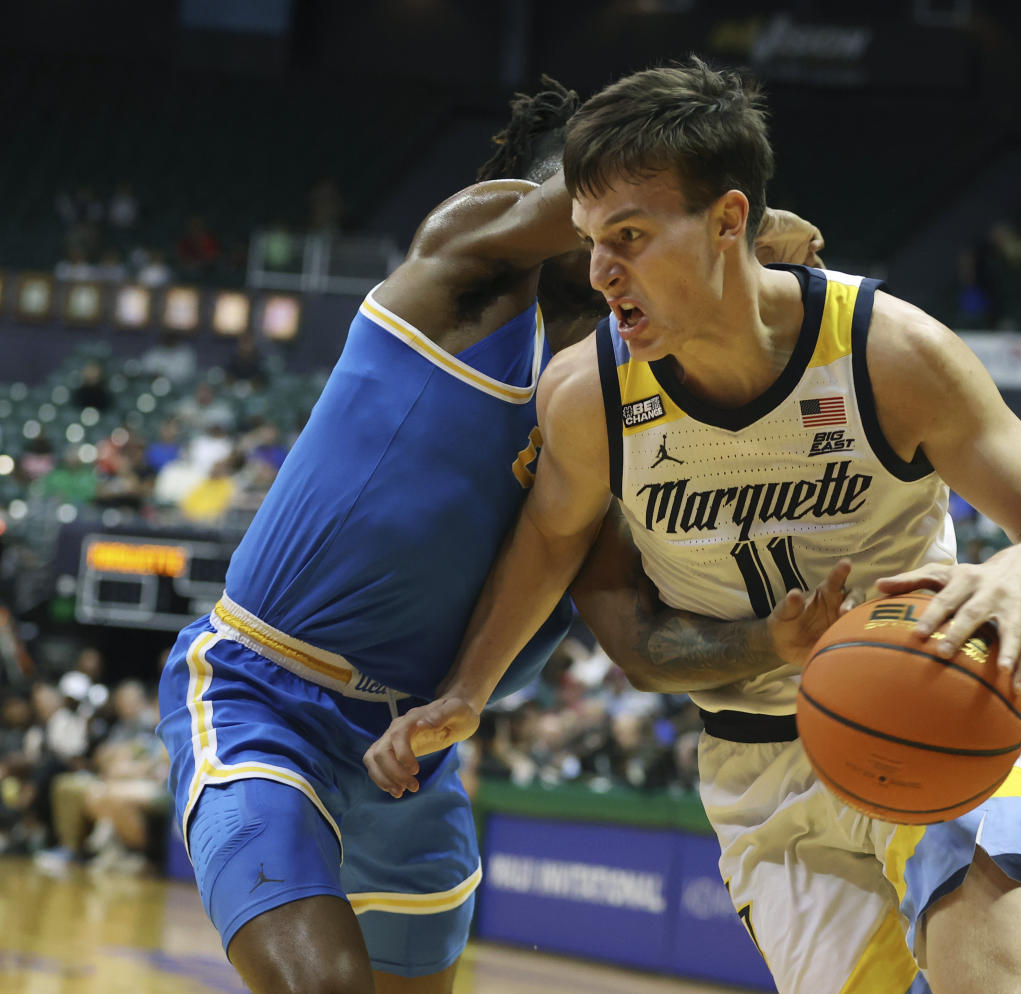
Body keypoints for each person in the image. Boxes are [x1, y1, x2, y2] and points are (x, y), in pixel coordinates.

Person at [369, 59, 1021, 994]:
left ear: (730, 222)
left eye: (631, 237)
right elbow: (552, 539)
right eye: (595, 239)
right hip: (756, 765)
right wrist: (469, 690)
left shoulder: (887, 351)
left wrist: (1016, 575)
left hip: (924, 697)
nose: (602, 270)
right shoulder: (589, 393)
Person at [156, 77, 837, 994]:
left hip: (420, 749)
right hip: (265, 696)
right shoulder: (465, 263)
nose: (604, 223)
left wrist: (769, 640)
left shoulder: (620, 404)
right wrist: (729, 228)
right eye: (584, 193)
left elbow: (635, 640)